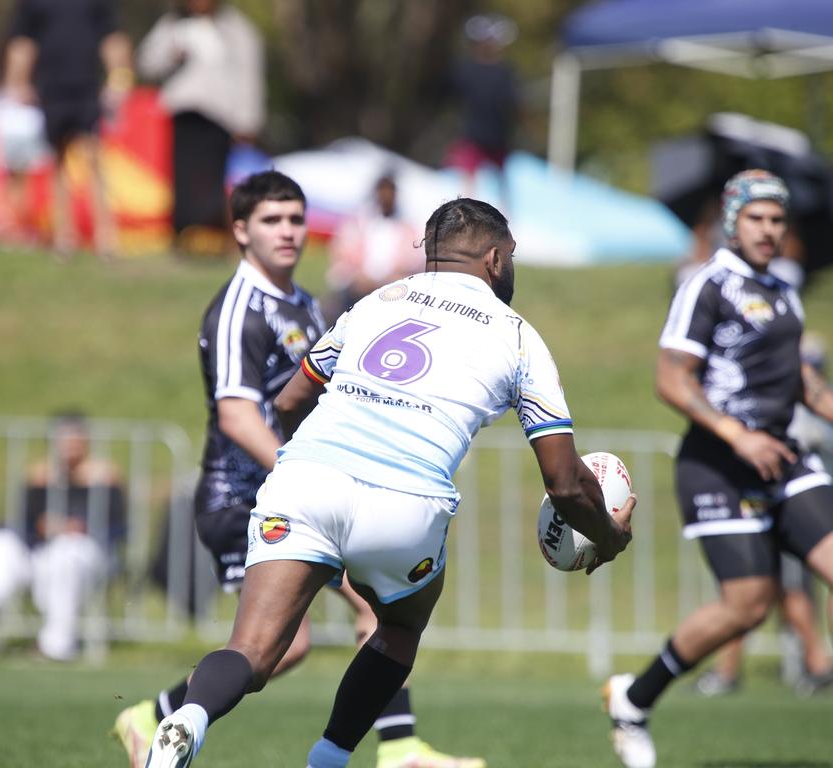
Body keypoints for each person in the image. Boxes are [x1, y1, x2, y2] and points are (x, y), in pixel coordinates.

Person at [137, 196, 634, 767]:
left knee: (251, 649)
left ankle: (189, 719)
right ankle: (328, 758)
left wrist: (321, 463)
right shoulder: (518, 335)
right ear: (496, 260)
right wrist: (610, 535)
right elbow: (566, 482)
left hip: (306, 479)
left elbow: (291, 398)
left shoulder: (377, 301)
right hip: (405, 503)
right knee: (397, 625)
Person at [114, 174, 491, 768]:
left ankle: (398, 748)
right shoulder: (241, 307)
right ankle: (157, 717)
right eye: (271, 220)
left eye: (295, 219)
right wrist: (302, 467)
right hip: (243, 497)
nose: (288, 231)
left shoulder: (302, 303)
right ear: (239, 230)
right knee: (296, 642)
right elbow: (238, 417)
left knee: (357, 618)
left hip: (297, 491)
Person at [603, 170, 833, 768]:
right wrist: (737, 435)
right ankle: (634, 697)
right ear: (733, 220)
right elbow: (670, 379)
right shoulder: (707, 284)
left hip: (785, 459)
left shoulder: (783, 289)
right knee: (747, 606)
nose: (768, 230)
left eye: (777, 220)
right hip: (718, 466)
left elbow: (804, 383)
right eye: (756, 218)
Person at [694, 333, 833, 699]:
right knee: (751, 595)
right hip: (761, 497)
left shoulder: (804, 413)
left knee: (787, 591)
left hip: (796, 502)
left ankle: (817, 663)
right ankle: (729, 671)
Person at [0, 411, 125, 661]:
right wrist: (45, 526)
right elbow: (24, 522)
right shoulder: (40, 477)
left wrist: (79, 528)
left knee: (66, 551)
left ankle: (56, 646)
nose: (69, 444)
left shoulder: (105, 478)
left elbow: (118, 526)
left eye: (75, 437)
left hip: (85, 556)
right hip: (40, 552)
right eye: (64, 437)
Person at [3, 0, 133, 260]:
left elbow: (112, 39)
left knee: (94, 159)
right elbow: (22, 43)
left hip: (86, 89)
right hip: (51, 90)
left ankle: (105, 238)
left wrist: (119, 79)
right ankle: (65, 237)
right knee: (58, 162)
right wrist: (17, 82)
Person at [136, 0, 265, 256]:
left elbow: (250, 77)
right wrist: (172, 53)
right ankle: (184, 236)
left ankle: (218, 237)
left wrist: (248, 120)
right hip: (184, 114)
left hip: (220, 116)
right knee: (183, 180)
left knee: (217, 181)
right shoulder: (173, 26)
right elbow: (146, 62)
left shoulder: (236, 29)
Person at [322, 172, 423, 325]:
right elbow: (341, 255)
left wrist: (392, 278)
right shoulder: (358, 223)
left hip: (394, 287)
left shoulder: (407, 227)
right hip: (357, 286)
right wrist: (358, 276)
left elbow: (415, 260)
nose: (386, 197)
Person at [444, 14, 519, 202]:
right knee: (468, 187)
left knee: (502, 187)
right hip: (473, 136)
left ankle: (503, 224)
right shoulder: (465, 69)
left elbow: (512, 104)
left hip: (497, 137)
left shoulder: (504, 72)